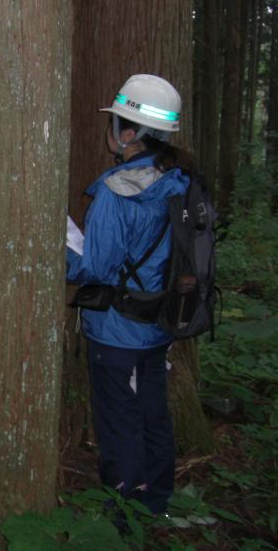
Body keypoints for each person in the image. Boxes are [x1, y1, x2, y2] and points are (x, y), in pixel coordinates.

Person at [67, 74, 192, 516]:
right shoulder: (178, 179)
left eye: (115, 121)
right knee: (151, 416)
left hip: (119, 331)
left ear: (128, 133)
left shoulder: (120, 191)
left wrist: (56, 240)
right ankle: (154, 503)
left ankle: (123, 519)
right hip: (158, 321)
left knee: (121, 423)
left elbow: (92, 268)